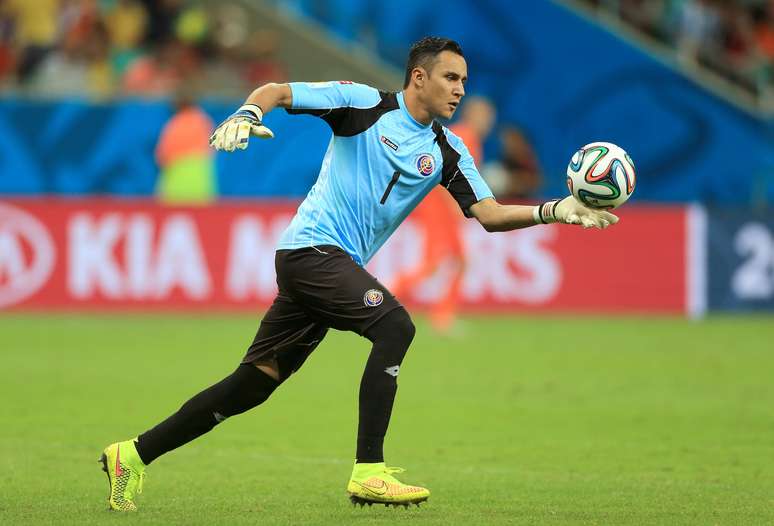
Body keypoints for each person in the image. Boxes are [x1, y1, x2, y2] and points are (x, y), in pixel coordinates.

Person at [99, 36, 618, 512]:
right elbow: (278, 90)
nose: (460, 89)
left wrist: (557, 209)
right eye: (450, 78)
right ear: (419, 77)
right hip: (311, 251)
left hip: (329, 264)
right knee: (395, 326)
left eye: (463, 81)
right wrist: (248, 110)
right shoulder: (361, 104)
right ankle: (369, 470)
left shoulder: (447, 150)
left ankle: (133, 455)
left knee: (253, 385)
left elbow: (489, 214)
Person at [389, 96, 496, 333]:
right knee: (435, 264)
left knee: (457, 262)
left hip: (440, 207)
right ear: (473, 115)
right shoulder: (463, 137)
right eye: (486, 117)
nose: (489, 123)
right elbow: (442, 175)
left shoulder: (466, 137)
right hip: (439, 209)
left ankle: (442, 315)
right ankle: (382, 298)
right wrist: (456, 205)